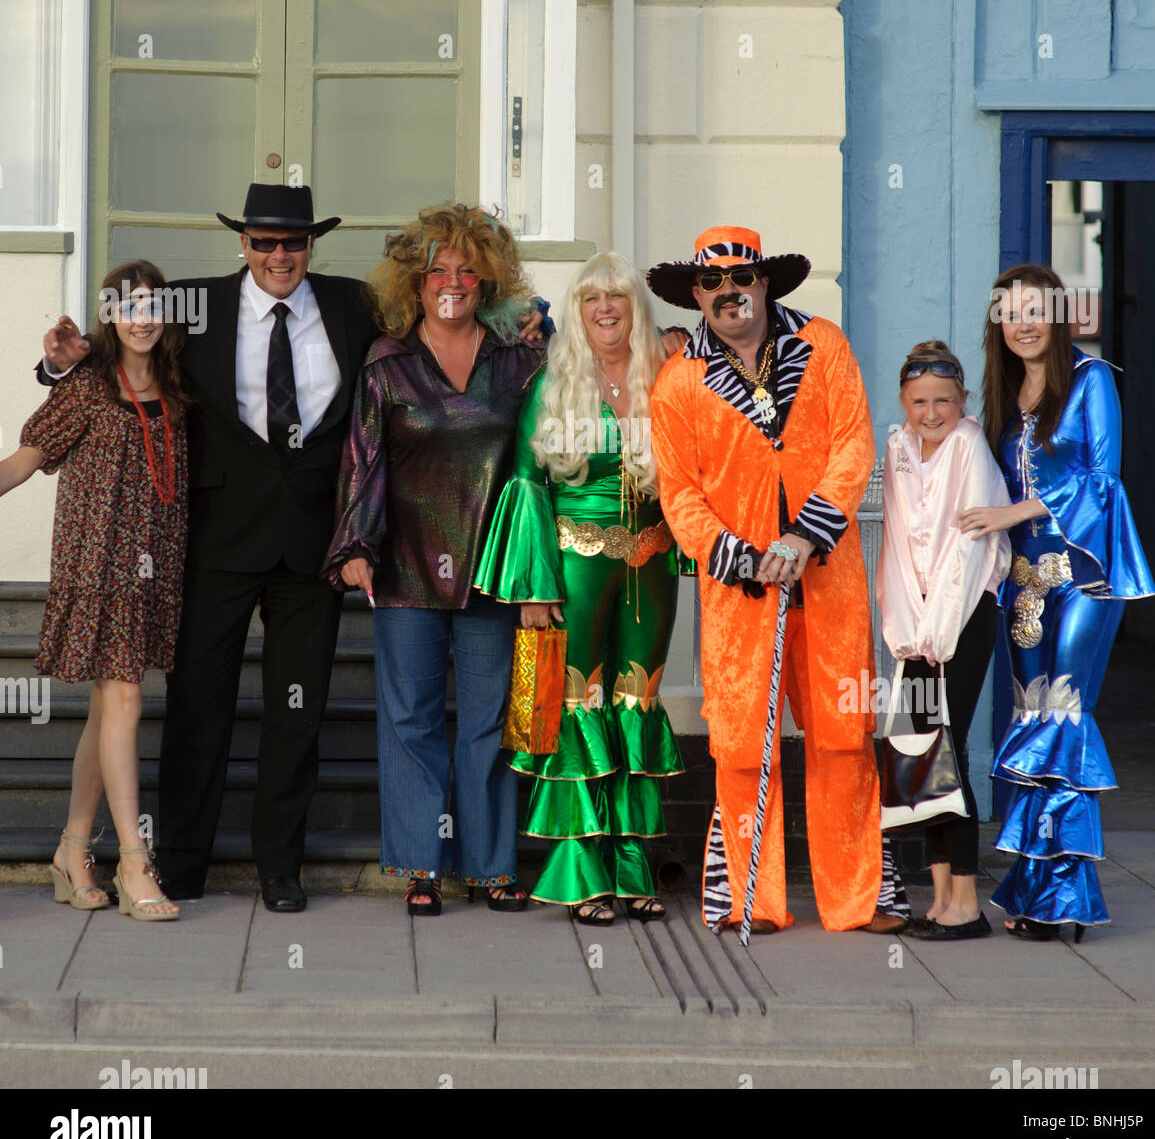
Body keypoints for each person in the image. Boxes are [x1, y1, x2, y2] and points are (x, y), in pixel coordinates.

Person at [41, 185, 378, 912]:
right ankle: (181, 864)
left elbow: (429, 337)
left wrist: (526, 326)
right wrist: (64, 367)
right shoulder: (192, 305)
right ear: (243, 244)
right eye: (263, 242)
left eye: (292, 242)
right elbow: (123, 361)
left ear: (312, 245)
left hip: (312, 541)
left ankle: (279, 869)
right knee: (198, 708)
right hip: (212, 537)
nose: (278, 256)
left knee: (298, 712)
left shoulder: (353, 306)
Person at [648, 225, 902, 936]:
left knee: (844, 736)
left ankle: (859, 900)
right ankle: (748, 899)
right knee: (737, 746)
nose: (728, 295)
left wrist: (804, 534)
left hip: (828, 578)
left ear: (764, 283)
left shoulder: (823, 345)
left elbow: (853, 445)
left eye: (741, 280)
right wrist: (740, 555)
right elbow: (680, 493)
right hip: (739, 592)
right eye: (711, 285)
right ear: (696, 295)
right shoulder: (679, 380)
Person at [323, 205, 544, 916]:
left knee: (486, 720)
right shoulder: (386, 363)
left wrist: (546, 318)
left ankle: (491, 867)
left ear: (487, 283)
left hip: (492, 568)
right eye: (437, 271)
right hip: (405, 568)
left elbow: (537, 462)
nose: (451, 282)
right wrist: (354, 546)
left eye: (466, 271)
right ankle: (420, 865)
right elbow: (363, 461)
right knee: (411, 720)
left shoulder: (518, 362)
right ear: (414, 284)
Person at [474, 251, 685, 924]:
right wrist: (534, 587)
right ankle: (578, 874)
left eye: (616, 297)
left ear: (635, 308)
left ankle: (632, 867)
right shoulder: (554, 380)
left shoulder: (668, 377)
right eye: (590, 297)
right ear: (576, 310)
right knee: (576, 705)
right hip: (575, 568)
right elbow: (526, 486)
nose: (604, 308)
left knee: (635, 703)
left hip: (651, 570)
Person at [960, 264, 1154, 941]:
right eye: (1009, 311)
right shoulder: (1001, 388)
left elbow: (1103, 482)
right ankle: (1029, 886)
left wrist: (1009, 510)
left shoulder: (1093, 381)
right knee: (1027, 715)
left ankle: (1064, 898)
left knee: (1063, 716)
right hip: (1020, 582)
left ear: (1056, 313)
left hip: (1083, 574)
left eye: (1033, 309)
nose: (1022, 322)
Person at [3, 263, 188, 921]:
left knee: (109, 711)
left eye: (152, 305)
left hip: (152, 568)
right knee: (127, 700)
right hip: (96, 563)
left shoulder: (178, 385)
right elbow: (27, 456)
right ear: (111, 315)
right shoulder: (86, 386)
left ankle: (71, 851)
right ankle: (136, 862)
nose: (141, 317)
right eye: (128, 306)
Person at [877, 340, 1011, 941]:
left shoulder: (969, 445)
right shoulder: (899, 446)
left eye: (944, 401)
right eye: (920, 401)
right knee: (920, 750)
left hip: (963, 614)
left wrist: (938, 628)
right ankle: (939, 898)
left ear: (963, 400)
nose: (932, 413)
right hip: (918, 624)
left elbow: (971, 543)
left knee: (947, 746)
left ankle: (967, 903)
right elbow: (898, 543)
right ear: (904, 401)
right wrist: (906, 627)